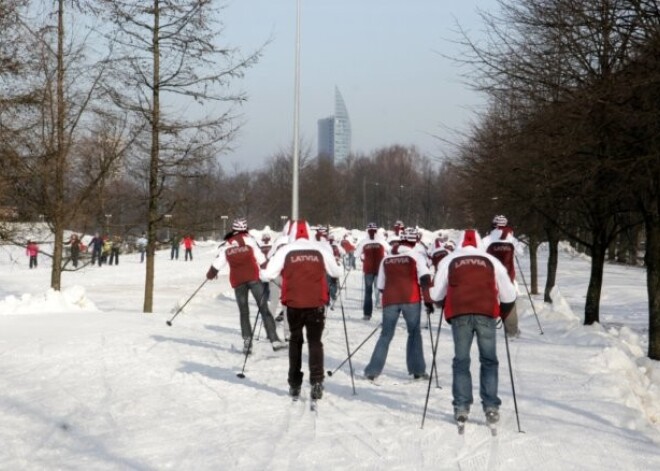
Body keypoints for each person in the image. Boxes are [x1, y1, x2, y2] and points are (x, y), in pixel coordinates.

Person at [430, 228, 517, 428]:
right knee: (489, 360)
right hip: (485, 312)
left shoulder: (450, 260)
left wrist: (440, 301)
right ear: (479, 243)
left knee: (461, 361)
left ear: (460, 243)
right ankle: (491, 407)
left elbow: (435, 294)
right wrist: (503, 312)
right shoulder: (490, 260)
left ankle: (461, 407)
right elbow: (509, 294)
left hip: (460, 313)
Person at [261, 220, 343, 401]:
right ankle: (316, 381)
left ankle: (294, 384)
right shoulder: (320, 249)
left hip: (293, 304)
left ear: (291, 233)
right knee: (315, 342)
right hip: (316, 303)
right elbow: (336, 272)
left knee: (295, 342)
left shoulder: (285, 250)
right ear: (309, 233)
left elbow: (267, 275)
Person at [206, 218, 285, 354]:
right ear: (245, 228)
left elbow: (217, 264)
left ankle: (247, 342)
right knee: (264, 309)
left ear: (233, 229)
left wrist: (211, 274)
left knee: (244, 312)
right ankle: (274, 340)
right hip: (253, 279)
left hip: (238, 282)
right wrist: (269, 271)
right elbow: (262, 260)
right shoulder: (250, 240)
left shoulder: (227, 244)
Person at [364, 227, 433, 381]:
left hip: (390, 300)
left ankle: (372, 370)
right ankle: (418, 371)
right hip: (411, 299)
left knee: (386, 335)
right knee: (414, 333)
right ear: (414, 241)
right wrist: (428, 301)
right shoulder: (416, 256)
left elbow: (380, 286)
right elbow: (425, 279)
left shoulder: (387, 259)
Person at [483, 215, 522, 337]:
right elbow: (521, 252)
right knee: (509, 300)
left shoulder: (487, 239)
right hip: (508, 277)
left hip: (491, 276)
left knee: (489, 301)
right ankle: (511, 331)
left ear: (493, 225)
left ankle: (485, 327)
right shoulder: (511, 239)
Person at [354, 222, 389, 320]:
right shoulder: (382, 241)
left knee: (368, 292)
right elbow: (389, 250)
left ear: (367, 231)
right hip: (380, 270)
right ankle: (385, 313)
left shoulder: (364, 242)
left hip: (368, 270)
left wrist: (362, 257)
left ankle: (367, 314)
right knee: (381, 290)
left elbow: (356, 255)